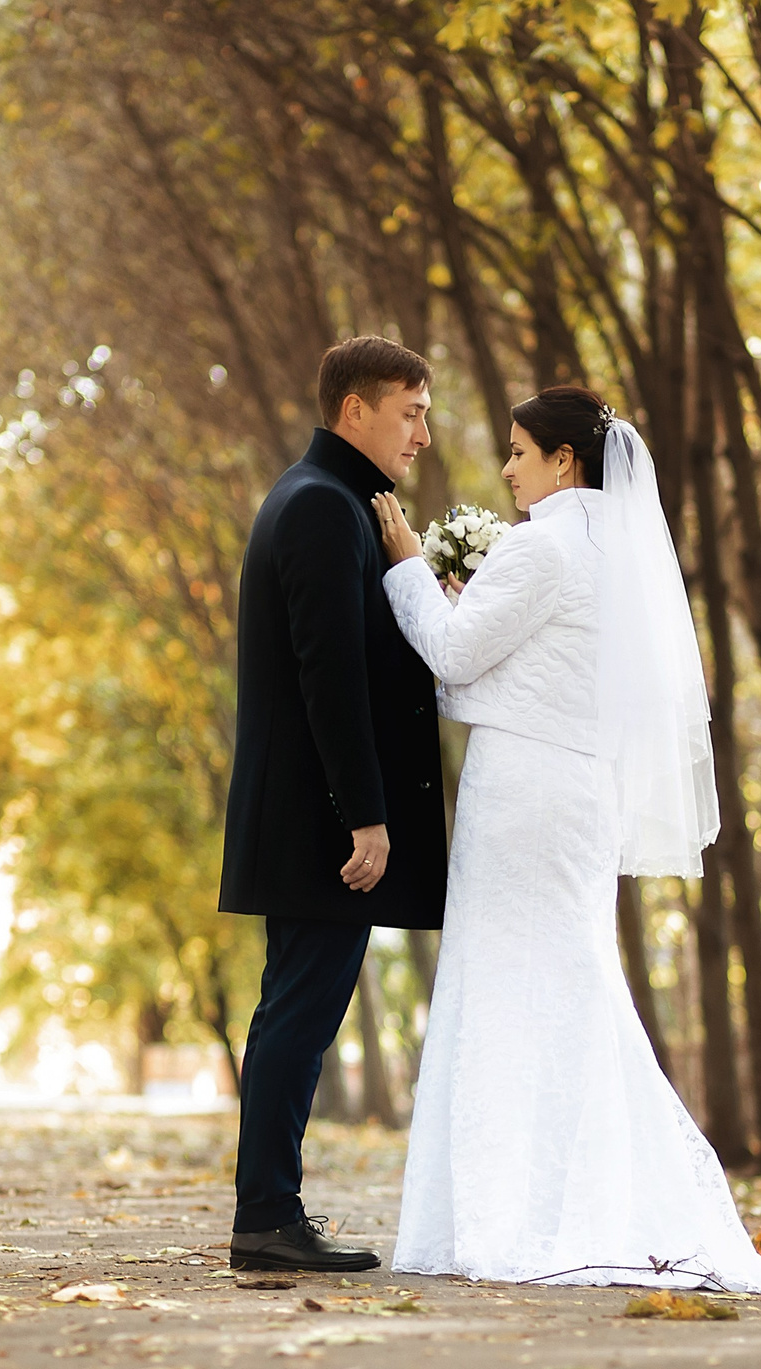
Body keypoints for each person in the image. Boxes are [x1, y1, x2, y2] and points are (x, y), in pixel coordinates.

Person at [368, 387, 761, 1293]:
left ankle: (514, 1212)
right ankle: (577, 1196)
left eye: (519, 451)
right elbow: (528, 661)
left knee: (508, 982)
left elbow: (448, 658)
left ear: (565, 461)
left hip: (522, 794)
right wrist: (464, 603)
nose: (508, 467)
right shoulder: (612, 553)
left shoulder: (543, 545)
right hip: (579, 796)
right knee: (566, 975)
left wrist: (407, 564)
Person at [216, 337, 448, 1272]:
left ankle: (269, 1213)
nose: (423, 433)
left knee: (296, 1012)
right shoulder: (319, 507)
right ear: (354, 410)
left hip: (310, 812)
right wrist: (366, 812)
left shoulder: (337, 502)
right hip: (318, 818)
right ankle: (267, 1219)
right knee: (300, 1015)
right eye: (410, 411)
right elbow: (329, 675)